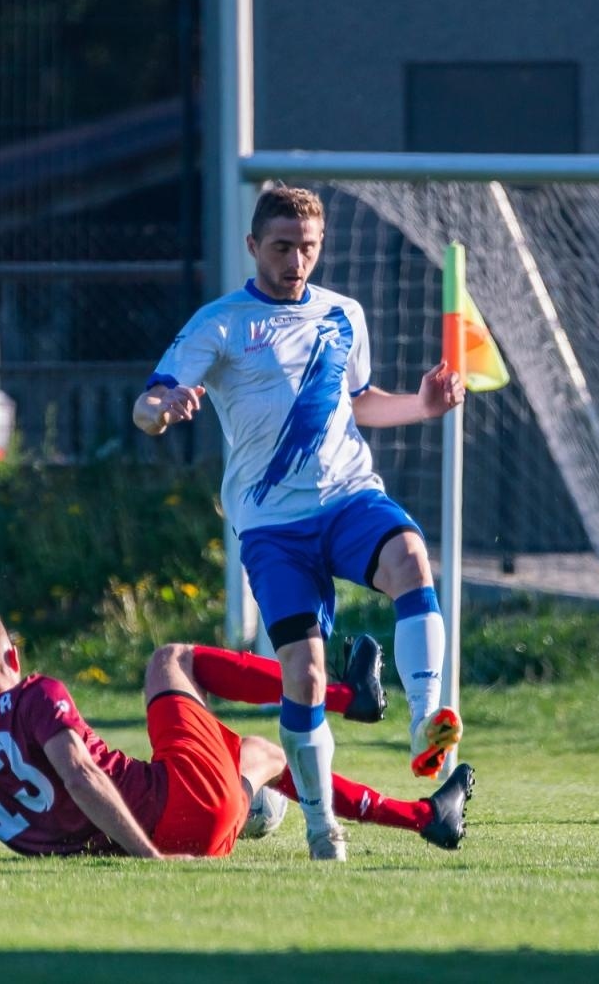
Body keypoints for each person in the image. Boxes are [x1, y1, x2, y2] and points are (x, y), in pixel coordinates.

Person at [133, 183, 465, 861]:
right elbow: (148, 401)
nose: (296, 260)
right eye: (282, 247)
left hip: (346, 498)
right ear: (254, 246)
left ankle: (427, 717)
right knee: (305, 675)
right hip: (273, 527)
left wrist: (423, 406)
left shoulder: (343, 314)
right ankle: (321, 826)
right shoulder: (219, 324)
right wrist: (166, 407)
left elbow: (360, 401)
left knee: (409, 556)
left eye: (308, 247)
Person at [0, 610, 473, 861]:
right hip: (173, 808)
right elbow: (82, 776)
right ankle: (349, 696)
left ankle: (424, 816)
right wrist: (149, 856)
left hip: (196, 827)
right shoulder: (36, 693)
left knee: (260, 754)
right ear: (14, 652)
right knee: (171, 660)